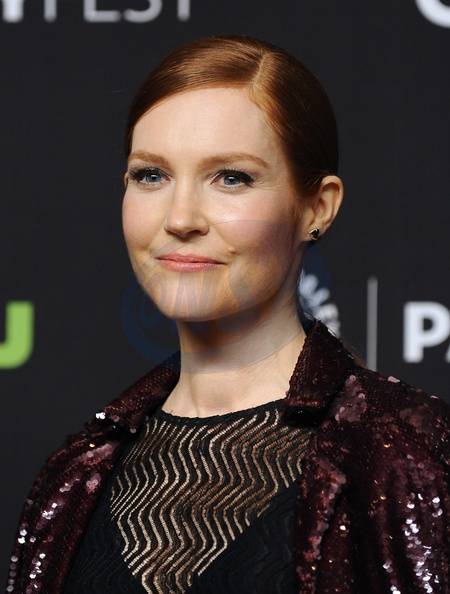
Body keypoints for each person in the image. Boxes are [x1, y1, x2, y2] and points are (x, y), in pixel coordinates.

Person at [6, 35, 450, 594]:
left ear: (317, 207)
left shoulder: (400, 452)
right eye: (151, 175)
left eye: (231, 177)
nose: (181, 218)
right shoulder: (76, 476)